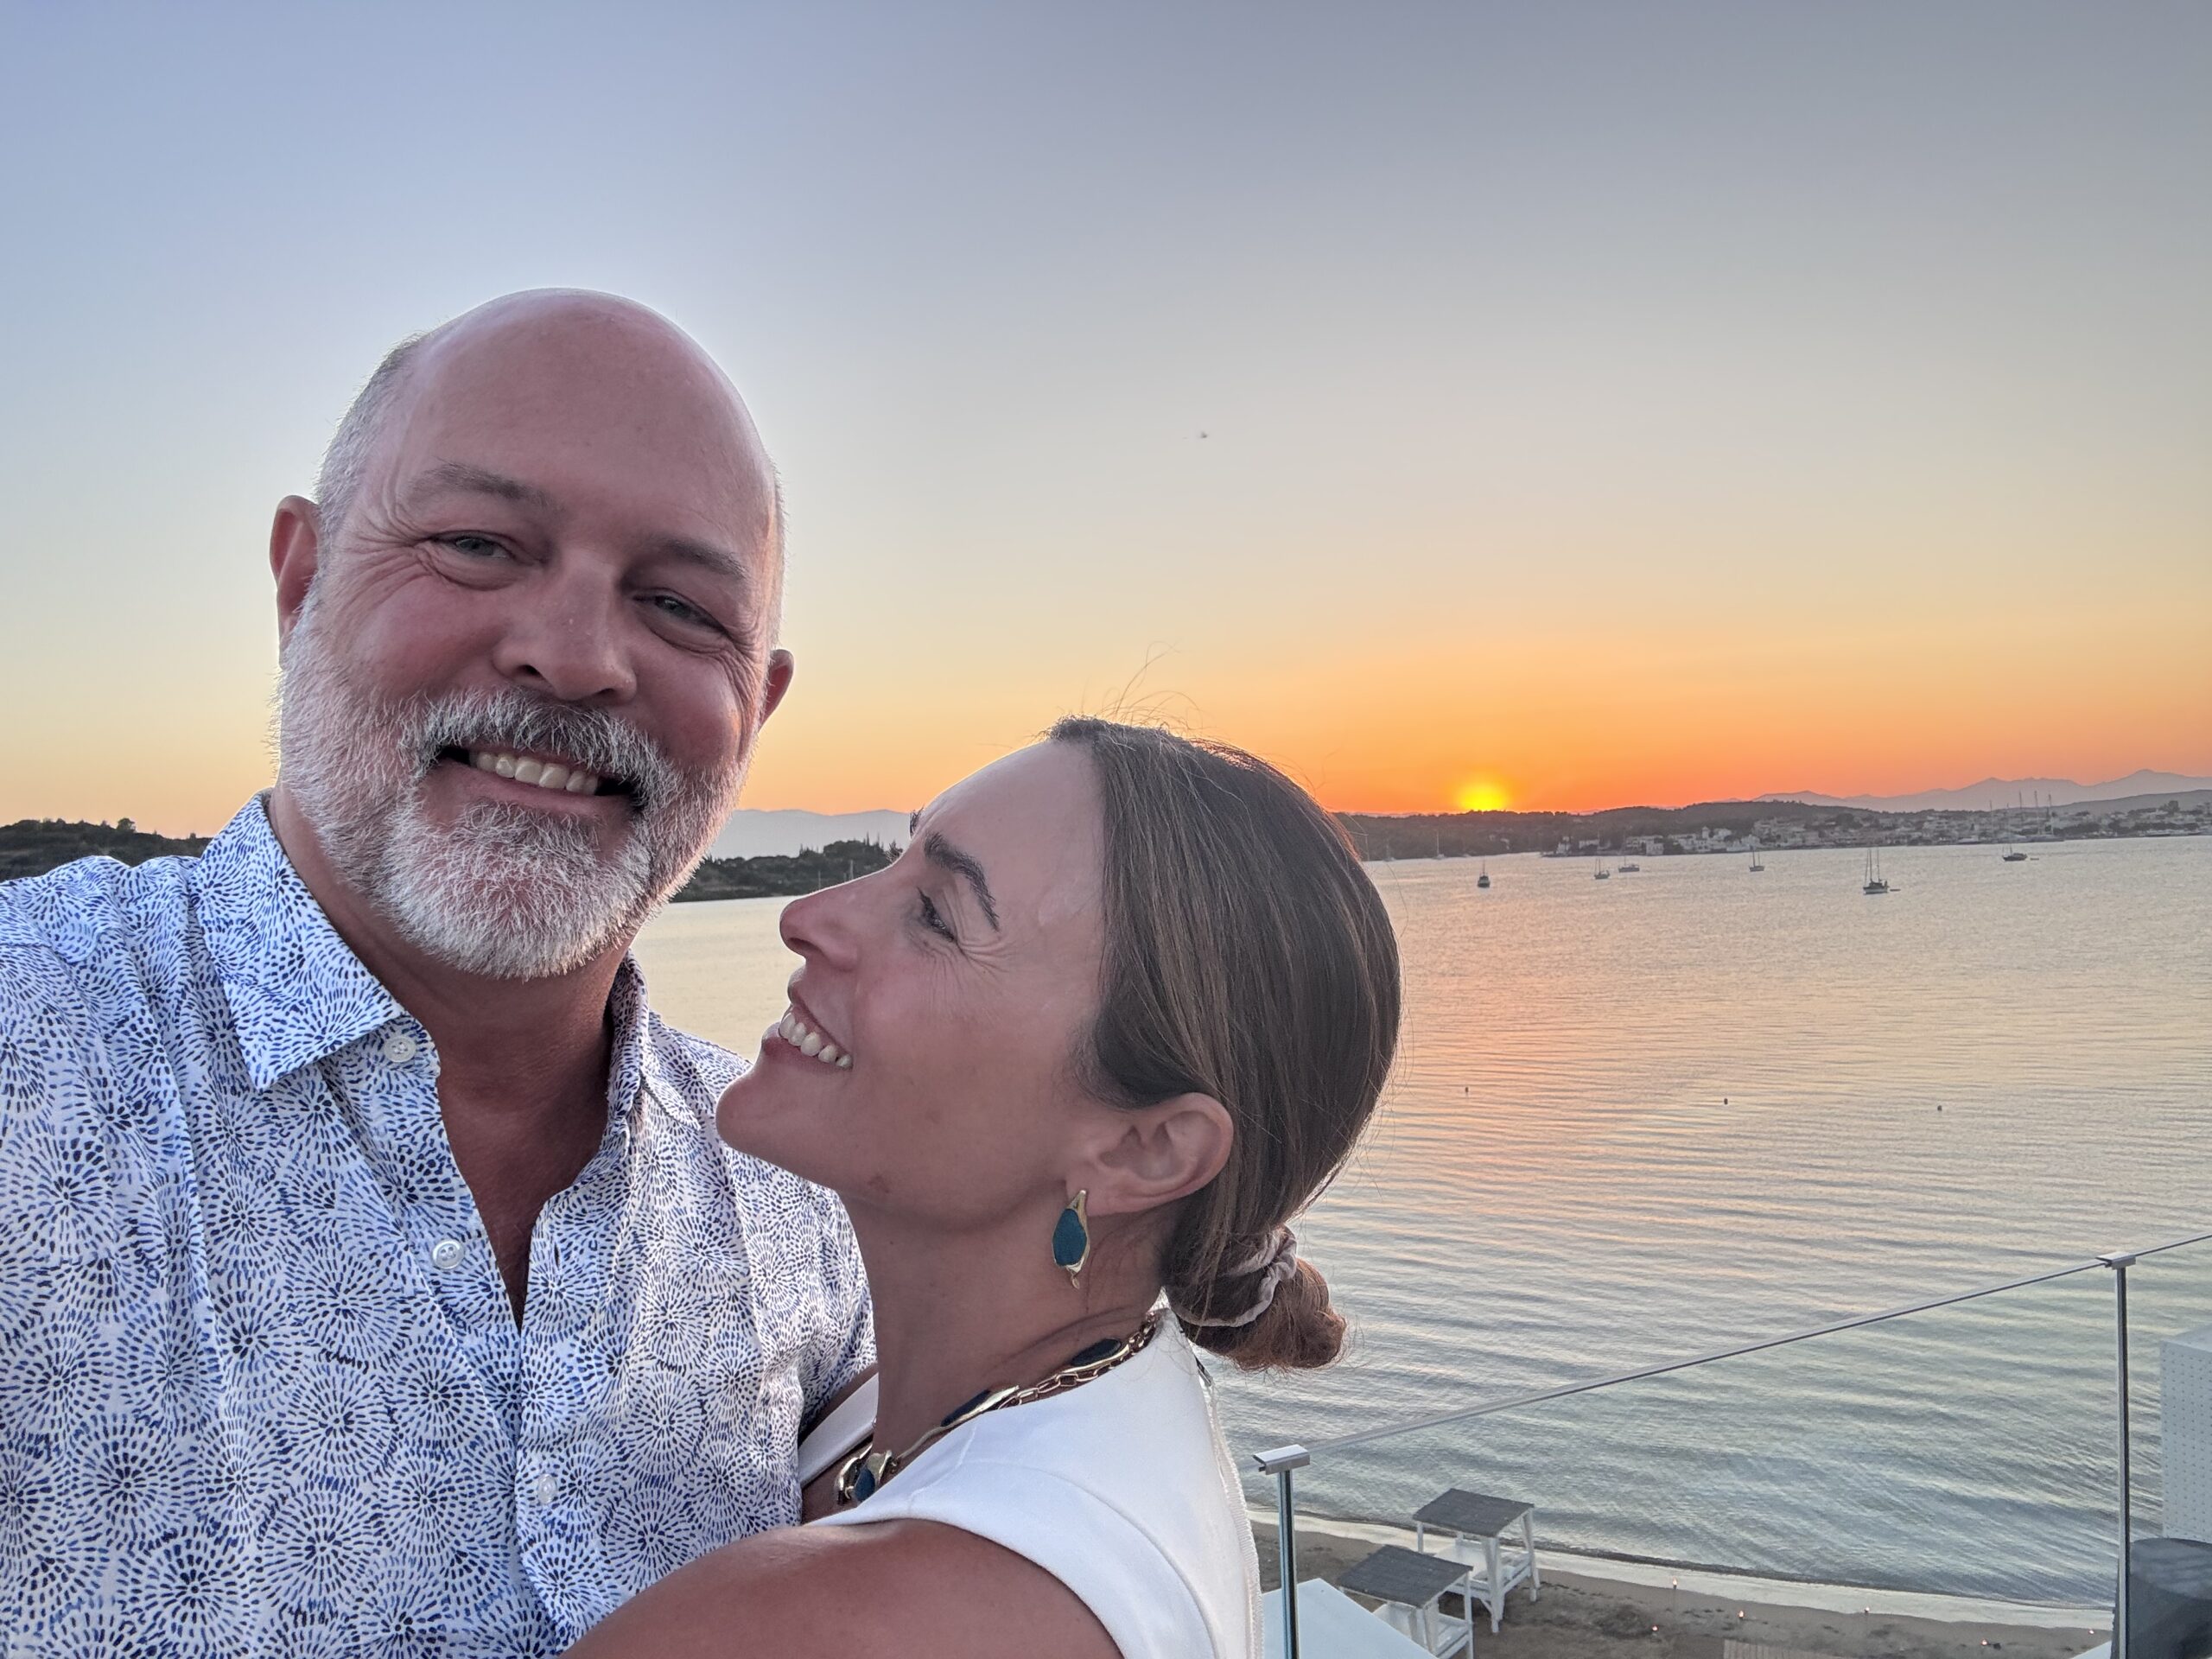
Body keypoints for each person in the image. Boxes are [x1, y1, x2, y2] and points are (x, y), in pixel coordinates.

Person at [0, 292, 872, 1653]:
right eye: (477, 546)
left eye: (679, 605)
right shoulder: (28, 1047)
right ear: (300, 581)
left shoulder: (809, 1206)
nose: (574, 657)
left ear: (755, 708)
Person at [573, 717, 1402, 1659]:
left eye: (937, 916)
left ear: (1145, 1151)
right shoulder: (1042, 1411)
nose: (808, 916)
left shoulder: (878, 1623)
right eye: (894, 861)